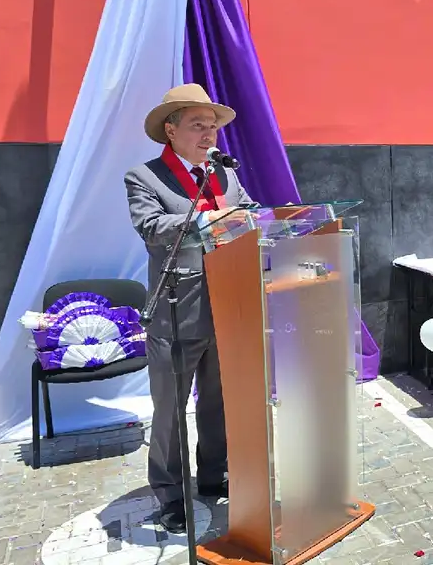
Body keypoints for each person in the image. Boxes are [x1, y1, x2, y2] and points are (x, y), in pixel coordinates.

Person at [124, 83, 257, 533]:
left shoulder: (225, 174)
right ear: (171, 129)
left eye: (213, 126)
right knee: (170, 408)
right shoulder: (143, 177)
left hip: (228, 302)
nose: (209, 134)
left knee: (218, 401)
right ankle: (169, 492)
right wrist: (206, 219)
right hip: (177, 309)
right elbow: (152, 227)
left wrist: (263, 217)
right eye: (198, 125)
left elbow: (247, 212)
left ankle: (213, 475)